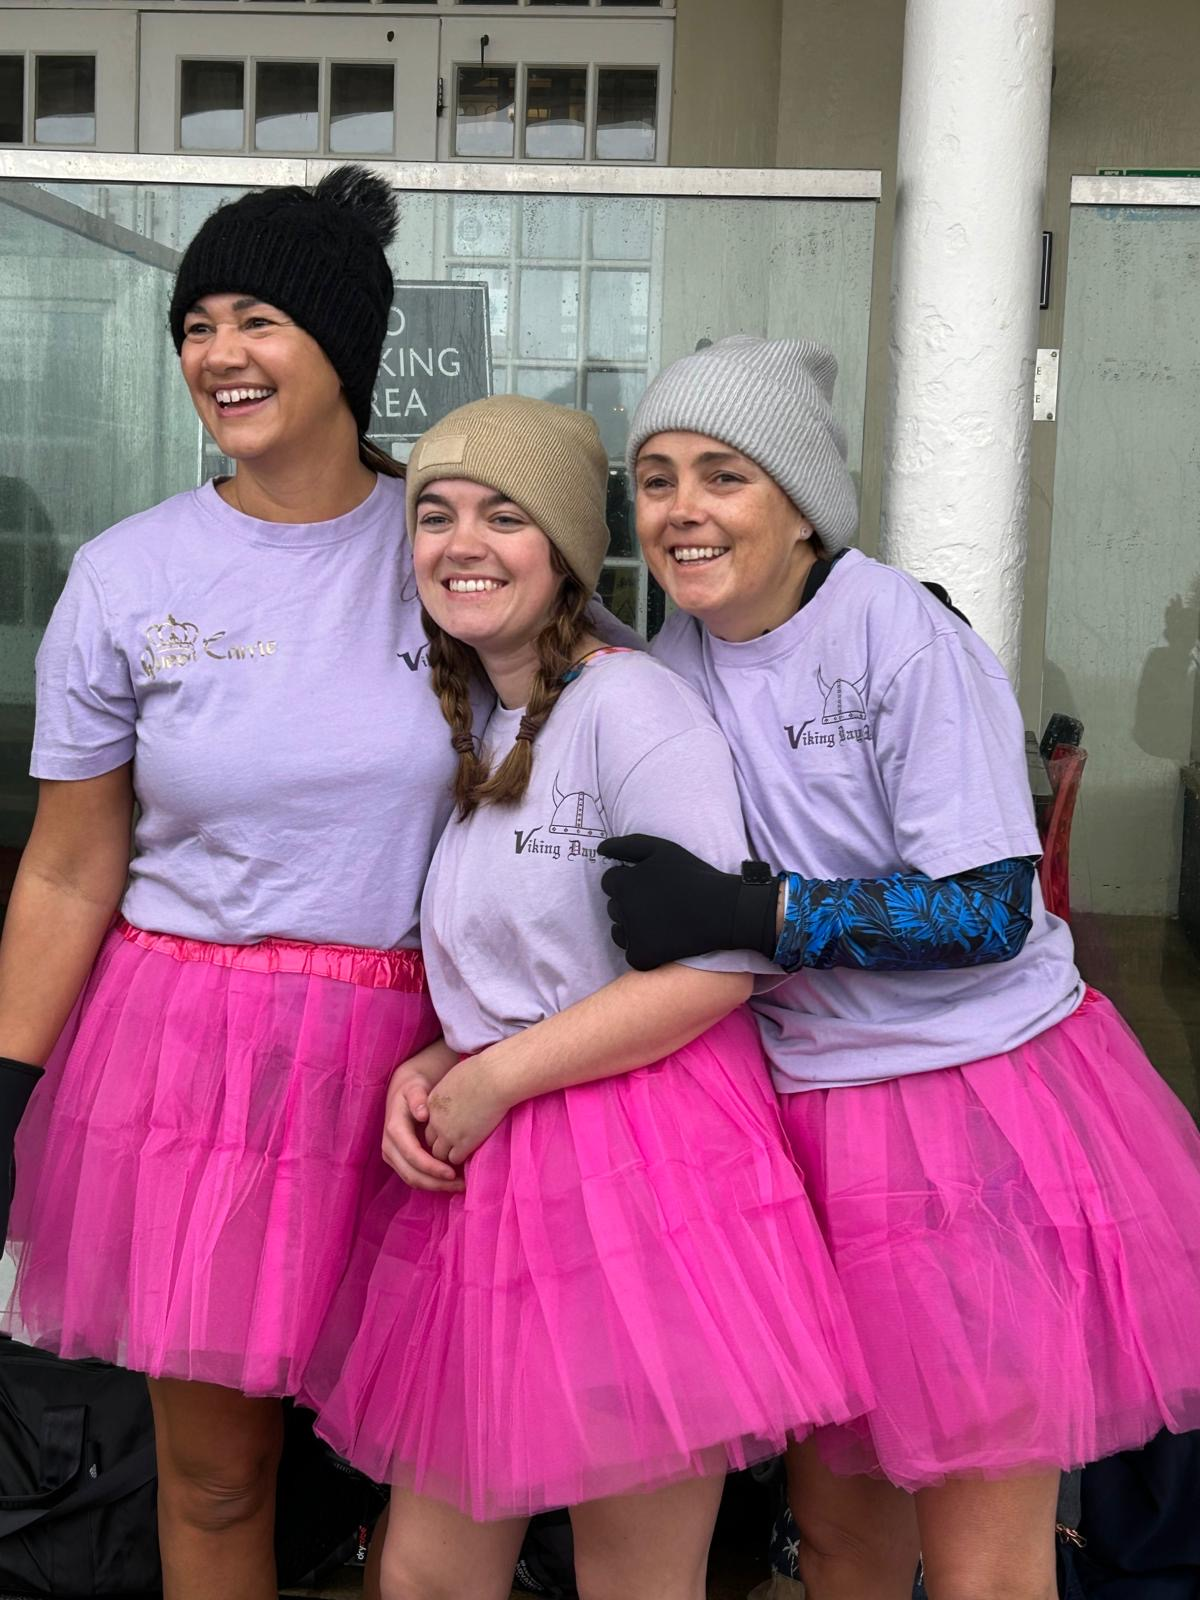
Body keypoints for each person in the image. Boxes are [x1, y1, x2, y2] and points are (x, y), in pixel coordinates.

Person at [598, 335, 1200, 1600]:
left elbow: (990, 907)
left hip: (974, 1114)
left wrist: (763, 912)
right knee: (839, 1543)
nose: (683, 510)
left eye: (724, 475)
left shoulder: (901, 633)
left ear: (803, 507)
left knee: (983, 1564)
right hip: (799, 1125)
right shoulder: (672, 664)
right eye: (655, 479)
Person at [300, 394, 871, 1600]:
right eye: (436, 515)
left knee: (633, 1577)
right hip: (494, 1173)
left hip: (643, 1172)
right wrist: (441, 1057)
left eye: (505, 516)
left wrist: (498, 1071)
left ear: (565, 548)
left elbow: (720, 961)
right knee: (425, 1571)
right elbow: (509, 956)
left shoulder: (634, 705)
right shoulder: (480, 715)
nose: (463, 543)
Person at [0, 167, 457, 1600]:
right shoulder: (130, 574)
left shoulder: (464, 552)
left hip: (428, 1067)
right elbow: (72, 867)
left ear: (344, 348)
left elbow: (594, 772)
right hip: (186, 1066)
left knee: (440, 1467)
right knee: (213, 1474)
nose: (216, 353)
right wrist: (8, 1080)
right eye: (194, 322)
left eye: (257, 316)